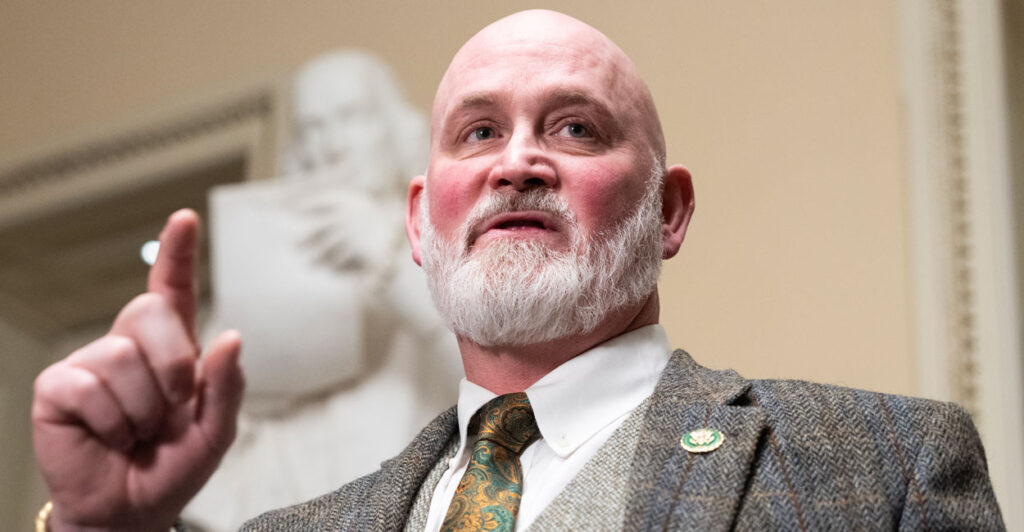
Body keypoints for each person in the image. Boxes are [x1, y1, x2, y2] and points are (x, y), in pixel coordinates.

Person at [31, 9, 1003, 531]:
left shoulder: (883, 465)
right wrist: (97, 531)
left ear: (666, 210)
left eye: (574, 127)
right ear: (420, 221)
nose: (518, 160)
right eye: (480, 130)